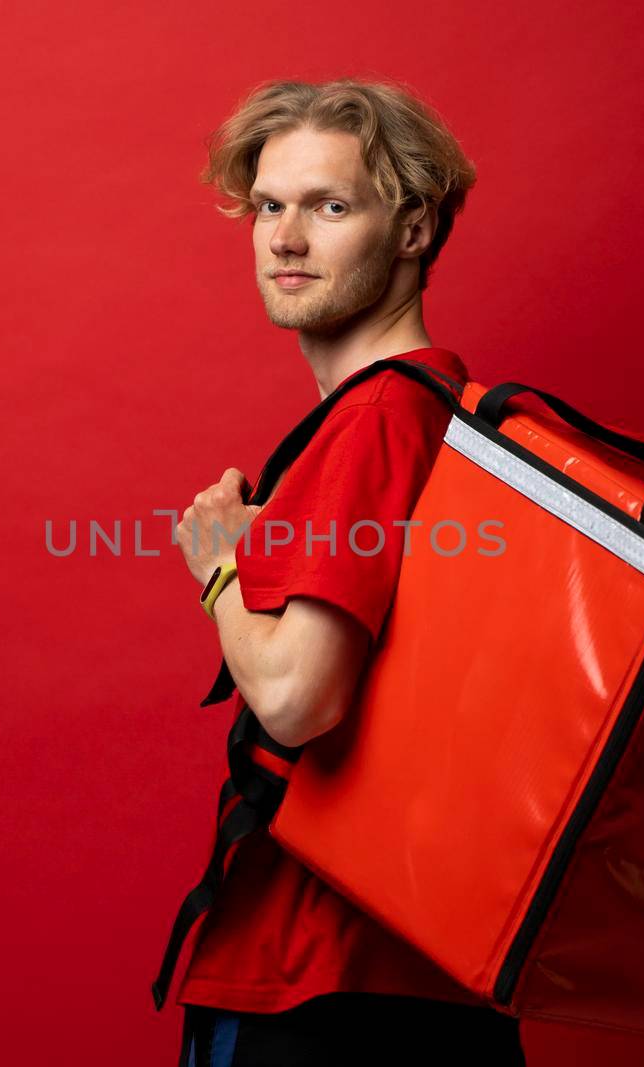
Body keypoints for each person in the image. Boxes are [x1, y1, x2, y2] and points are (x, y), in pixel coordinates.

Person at [164, 78, 526, 1066]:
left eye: (329, 207)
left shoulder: (377, 417)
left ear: (412, 230)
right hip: (414, 968)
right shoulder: (439, 407)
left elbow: (296, 696)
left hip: (327, 982)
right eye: (269, 206)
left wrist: (218, 567)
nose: (285, 238)